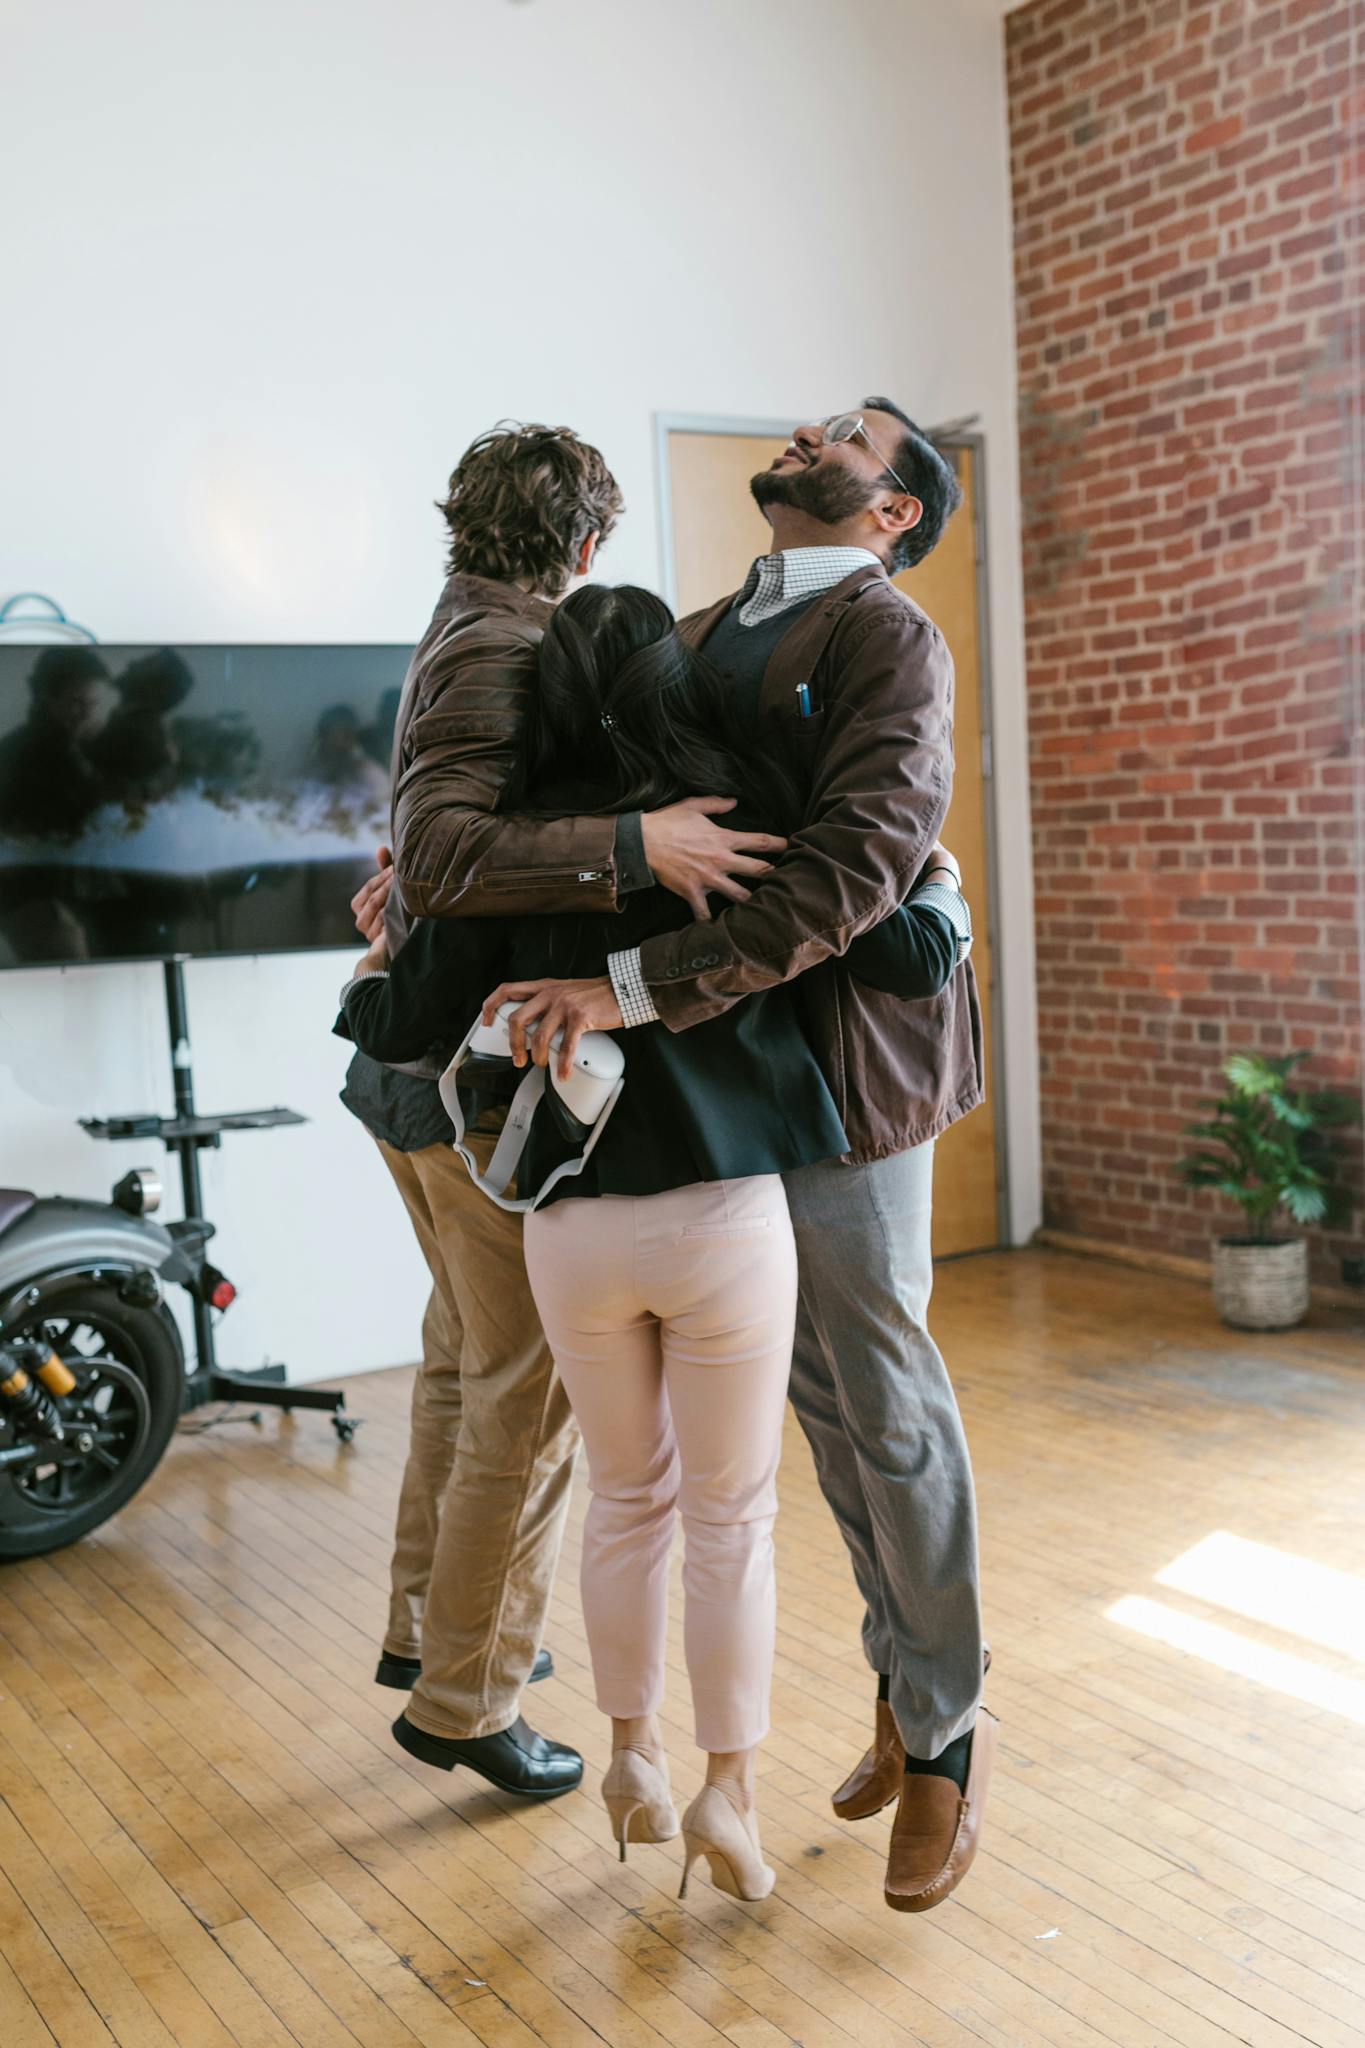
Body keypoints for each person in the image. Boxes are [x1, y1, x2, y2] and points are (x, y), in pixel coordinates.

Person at [377, 400, 995, 1913]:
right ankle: (892, 1680)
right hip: (747, 1086)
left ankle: (945, 1739)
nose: (807, 433)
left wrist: (641, 983)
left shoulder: (891, 636)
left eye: (847, 434)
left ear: (895, 510)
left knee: (885, 1402)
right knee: (814, 1416)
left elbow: (857, 862)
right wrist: (429, 886)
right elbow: (629, 801)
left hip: (852, 1078)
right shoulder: (707, 627)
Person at [337, 422, 628, 1799]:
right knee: (529, 1389)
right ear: (584, 542)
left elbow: (431, 842)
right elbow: (451, 853)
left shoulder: (456, 623)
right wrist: (641, 843)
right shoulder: (515, 640)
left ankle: (428, 1631)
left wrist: (409, 873)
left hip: (402, 1062)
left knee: (463, 1360)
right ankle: (469, 1693)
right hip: (461, 1083)